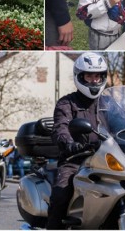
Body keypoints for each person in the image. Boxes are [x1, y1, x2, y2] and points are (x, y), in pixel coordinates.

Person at [47, 52, 111, 230]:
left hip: (107, 160)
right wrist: (70, 144)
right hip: (76, 160)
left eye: (97, 76)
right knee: (61, 193)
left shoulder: (109, 103)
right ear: (80, 77)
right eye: (89, 76)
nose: (94, 80)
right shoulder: (67, 103)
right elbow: (61, 127)